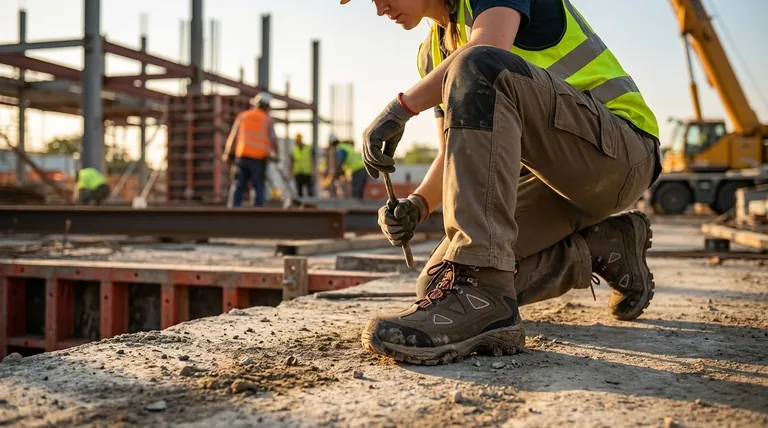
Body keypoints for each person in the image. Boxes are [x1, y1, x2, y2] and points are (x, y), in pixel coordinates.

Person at [341, 0, 663, 365]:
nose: (380, 8)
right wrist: (418, 204)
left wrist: (402, 107)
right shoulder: (432, 53)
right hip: (550, 181)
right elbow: (455, 149)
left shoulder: (475, 47)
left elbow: (487, 47)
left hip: (619, 156)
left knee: (478, 63)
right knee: (440, 282)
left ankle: (486, 288)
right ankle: (604, 247)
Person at [222, 92, 279, 207]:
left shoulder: (243, 116)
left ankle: (233, 210)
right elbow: (273, 141)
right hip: (258, 158)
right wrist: (277, 155)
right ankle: (257, 212)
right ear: (267, 106)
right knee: (258, 186)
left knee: (238, 185)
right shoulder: (267, 120)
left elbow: (233, 137)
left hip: (242, 156)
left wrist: (227, 153)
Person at [331, 136, 368, 200]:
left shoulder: (340, 148)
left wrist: (337, 172)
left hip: (357, 169)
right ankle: (360, 204)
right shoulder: (347, 146)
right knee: (359, 190)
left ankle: (355, 204)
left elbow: (340, 160)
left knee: (355, 189)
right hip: (364, 167)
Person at [290, 133, 315, 198]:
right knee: (299, 192)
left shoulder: (309, 149)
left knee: (310, 191)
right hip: (298, 173)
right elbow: (292, 161)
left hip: (307, 173)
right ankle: (300, 203)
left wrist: (314, 171)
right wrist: (291, 171)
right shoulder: (294, 150)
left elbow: (313, 160)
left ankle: (310, 203)